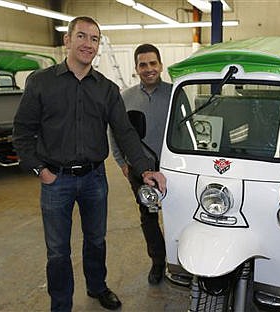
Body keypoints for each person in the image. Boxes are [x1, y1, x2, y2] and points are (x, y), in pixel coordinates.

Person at [12, 16, 166, 312]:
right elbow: (22, 132)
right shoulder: (41, 83)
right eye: (81, 36)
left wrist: (146, 168)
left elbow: (124, 132)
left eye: (94, 39)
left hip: (95, 179)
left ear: (97, 47)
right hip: (56, 180)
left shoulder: (106, 89)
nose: (88, 44)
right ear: (67, 40)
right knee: (58, 251)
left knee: (96, 240)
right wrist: (40, 171)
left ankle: (97, 287)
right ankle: (61, 304)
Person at [108, 44, 172, 285]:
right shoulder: (125, 98)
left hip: (173, 168)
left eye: (153, 63)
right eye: (143, 65)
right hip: (139, 170)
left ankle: (182, 261)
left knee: (179, 215)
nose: (148, 69)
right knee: (149, 217)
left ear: (161, 65)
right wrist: (121, 162)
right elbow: (113, 131)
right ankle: (158, 261)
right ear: (136, 69)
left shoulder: (176, 93)